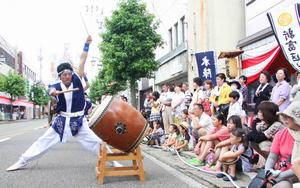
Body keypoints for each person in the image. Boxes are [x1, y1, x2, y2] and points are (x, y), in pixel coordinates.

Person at [6, 36, 121, 172]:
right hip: (61, 121)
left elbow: (83, 59)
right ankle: (22, 161)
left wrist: (87, 44)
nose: (67, 76)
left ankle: (112, 161)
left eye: (69, 74)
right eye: (64, 74)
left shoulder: (77, 80)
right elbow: (50, 91)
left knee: (95, 142)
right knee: (43, 141)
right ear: (60, 76)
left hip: (78, 120)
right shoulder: (55, 85)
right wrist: (52, 93)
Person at [264, 101, 300, 187]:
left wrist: (279, 177)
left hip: (292, 174)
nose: (285, 120)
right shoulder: (281, 134)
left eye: (288, 117)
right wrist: (268, 171)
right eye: (284, 116)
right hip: (281, 173)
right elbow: (272, 157)